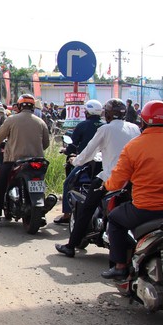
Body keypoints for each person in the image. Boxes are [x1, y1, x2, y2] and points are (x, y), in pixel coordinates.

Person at [100, 100, 163, 279]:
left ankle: (120, 266)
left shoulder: (134, 147)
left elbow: (117, 182)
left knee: (115, 219)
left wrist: (107, 185)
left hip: (147, 209)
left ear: (143, 122)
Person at [55, 99, 141, 257]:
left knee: (87, 208)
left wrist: (75, 160)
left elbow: (89, 152)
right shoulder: (135, 128)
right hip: (134, 180)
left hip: (110, 178)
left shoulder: (105, 129)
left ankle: (71, 245)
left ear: (107, 114)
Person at [0, 94, 49, 225]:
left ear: (20, 106)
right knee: (40, 184)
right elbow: (46, 144)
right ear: (33, 107)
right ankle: (41, 212)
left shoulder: (11, 120)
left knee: (1, 185)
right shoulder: (41, 122)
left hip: (14, 161)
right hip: (37, 160)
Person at [54, 99, 105, 224]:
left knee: (68, 183)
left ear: (87, 112)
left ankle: (66, 214)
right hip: (104, 163)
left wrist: (66, 151)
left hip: (85, 161)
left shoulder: (82, 125)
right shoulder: (105, 126)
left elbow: (72, 145)